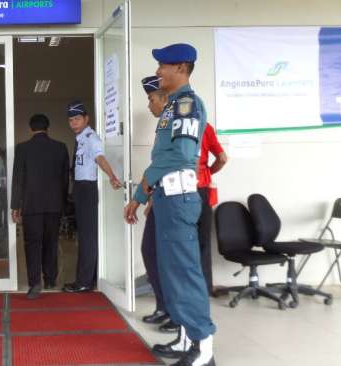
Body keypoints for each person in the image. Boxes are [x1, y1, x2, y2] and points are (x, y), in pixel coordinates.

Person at [124, 43, 216, 366]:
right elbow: (163, 156)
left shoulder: (187, 104)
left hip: (178, 199)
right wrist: (145, 193)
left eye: (163, 65)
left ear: (181, 67)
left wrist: (141, 190)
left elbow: (179, 156)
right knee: (170, 272)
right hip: (165, 198)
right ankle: (185, 338)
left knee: (185, 273)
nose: (158, 71)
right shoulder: (171, 107)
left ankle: (203, 350)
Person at [63, 101, 122, 293]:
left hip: (87, 189)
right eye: (71, 120)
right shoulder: (81, 138)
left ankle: (84, 282)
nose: (74, 123)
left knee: (88, 237)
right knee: (85, 235)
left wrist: (112, 176)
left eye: (77, 119)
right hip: (80, 188)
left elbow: (100, 158)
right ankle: (89, 278)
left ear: (86, 119)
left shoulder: (90, 137)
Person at [11, 114, 69, 299]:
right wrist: (63, 202)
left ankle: (35, 284)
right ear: (48, 127)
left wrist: (15, 205)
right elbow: (65, 179)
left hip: (31, 205)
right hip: (54, 205)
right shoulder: (60, 148)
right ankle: (51, 279)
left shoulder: (22, 149)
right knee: (51, 242)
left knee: (32, 244)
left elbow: (18, 179)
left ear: (31, 128)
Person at [138, 76, 172, 328]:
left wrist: (141, 197)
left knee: (169, 259)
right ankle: (164, 306)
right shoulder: (163, 125)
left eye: (151, 99)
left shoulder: (177, 121)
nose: (149, 105)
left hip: (176, 200)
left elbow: (169, 164)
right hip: (160, 197)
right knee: (150, 251)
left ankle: (174, 312)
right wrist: (150, 197)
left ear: (164, 98)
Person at [197, 122, 227, 297]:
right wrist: (207, 172)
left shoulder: (173, 122)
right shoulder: (205, 126)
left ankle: (184, 288)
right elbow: (222, 158)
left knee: (181, 242)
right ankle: (205, 287)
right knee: (203, 242)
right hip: (203, 189)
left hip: (179, 190)